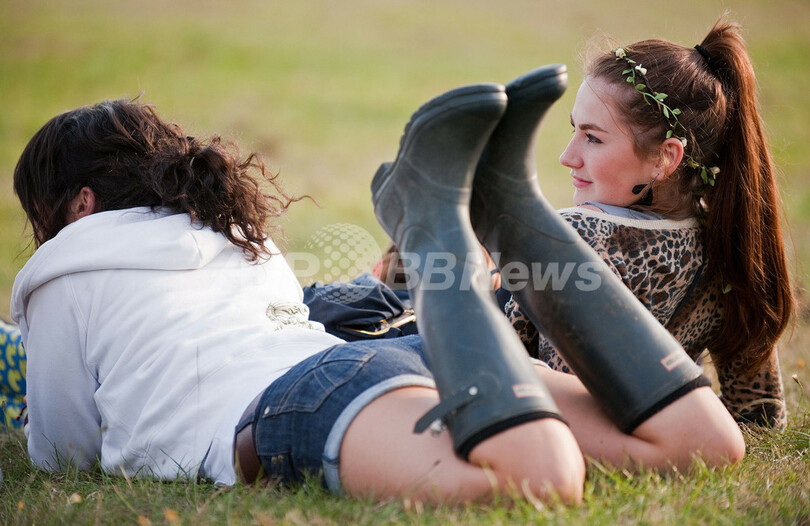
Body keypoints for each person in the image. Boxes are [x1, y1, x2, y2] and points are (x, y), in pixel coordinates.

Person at [11, 69, 743, 505]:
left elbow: (65, 450)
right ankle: (513, 206)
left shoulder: (67, 269)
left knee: (539, 482)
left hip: (306, 399)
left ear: (78, 202)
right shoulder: (229, 234)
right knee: (704, 444)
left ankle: (431, 222)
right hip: (399, 361)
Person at [473, 16, 793, 430]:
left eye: (593, 137)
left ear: (666, 158)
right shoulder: (733, 249)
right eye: (575, 131)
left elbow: (539, 393)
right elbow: (760, 416)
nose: (567, 157)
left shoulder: (579, 235)